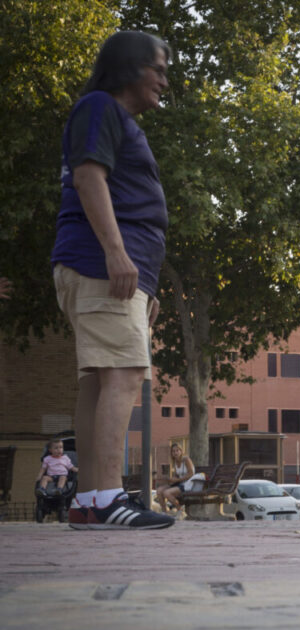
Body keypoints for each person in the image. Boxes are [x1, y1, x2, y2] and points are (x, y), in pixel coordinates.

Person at [52, 31, 175, 530]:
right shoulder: (100, 106)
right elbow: (88, 177)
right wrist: (117, 253)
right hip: (102, 264)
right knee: (123, 374)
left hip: (113, 271)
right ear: (129, 67)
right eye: (159, 69)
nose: (165, 81)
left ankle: (88, 500)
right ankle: (105, 498)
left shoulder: (109, 115)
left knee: (99, 379)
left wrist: (144, 279)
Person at [155, 442, 195, 513]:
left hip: (188, 484)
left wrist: (177, 479)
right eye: (173, 451)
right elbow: (177, 476)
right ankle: (165, 511)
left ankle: (180, 510)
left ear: (181, 451)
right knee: (159, 490)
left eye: (177, 450)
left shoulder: (186, 459)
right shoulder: (175, 462)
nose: (175, 453)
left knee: (167, 493)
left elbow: (191, 474)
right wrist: (170, 479)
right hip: (180, 483)